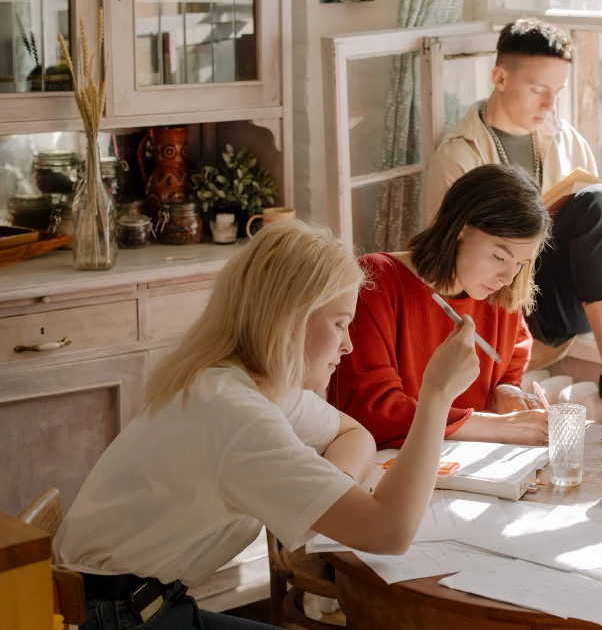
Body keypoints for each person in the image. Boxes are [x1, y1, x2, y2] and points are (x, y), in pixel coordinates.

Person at [54, 220, 481, 630]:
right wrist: (436, 397)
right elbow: (389, 532)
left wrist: (334, 492)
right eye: (339, 323)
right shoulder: (236, 415)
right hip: (118, 617)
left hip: (140, 603)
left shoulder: (249, 383)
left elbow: (354, 434)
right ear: (291, 319)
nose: (349, 345)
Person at [424, 18, 602, 407]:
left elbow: (591, 231)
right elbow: (446, 267)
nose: (549, 104)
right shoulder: (459, 156)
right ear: (499, 78)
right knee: (601, 202)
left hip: (569, 302)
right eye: (537, 89)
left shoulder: (565, 138)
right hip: (513, 308)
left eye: (557, 91)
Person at [330, 164, 553, 448]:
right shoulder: (377, 281)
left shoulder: (497, 291)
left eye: (520, 264)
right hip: (390, 466)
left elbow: (512, 358)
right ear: (461, 229)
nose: (508, 277)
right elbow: (372, 411)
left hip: (470, 464)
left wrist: (505, 390)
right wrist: (498, 427)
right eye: (499, 257)